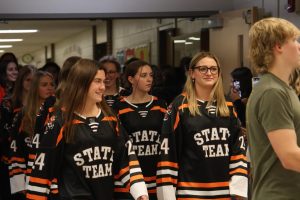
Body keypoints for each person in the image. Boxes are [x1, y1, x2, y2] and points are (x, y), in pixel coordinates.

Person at [26, 58, 148, 200]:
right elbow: (42, 172)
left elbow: (126, 159)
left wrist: (140, 193)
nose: (103, 87)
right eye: (97, 81)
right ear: (81, 83)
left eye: (103, 81)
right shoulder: (60, 121)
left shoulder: (111, 119)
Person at [156, 52, 248, 200]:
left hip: (224, 193)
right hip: (190, 194)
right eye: (203, 69)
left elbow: (238, 149)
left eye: (213, 69)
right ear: (192, 73)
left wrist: (238, 189)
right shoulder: (179, 106)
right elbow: (168, 153)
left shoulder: (228, 106)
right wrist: (167, 196)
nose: (209, 73)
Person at [246, 17, 300, 199]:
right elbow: (290, 156)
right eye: (294, 40)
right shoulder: (272, 92)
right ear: (278, 46)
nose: (298, 46)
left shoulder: (283, 89)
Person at [114, 60, 167, 200]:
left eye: (150, 75)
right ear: (131, 79)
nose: (149, 79)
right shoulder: (119, 107)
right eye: (143, 75)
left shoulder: (160, 105)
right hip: (131, 176)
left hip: (157, 174)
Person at [8, 71, 55, 199]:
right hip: (29, 177)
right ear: (35, 88)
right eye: (44, 85)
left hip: (53, 179)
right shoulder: (23, 115)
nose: (49, 88)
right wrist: (19, 183)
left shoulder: (59, 113)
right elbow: (15, 150)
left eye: (52, 84)